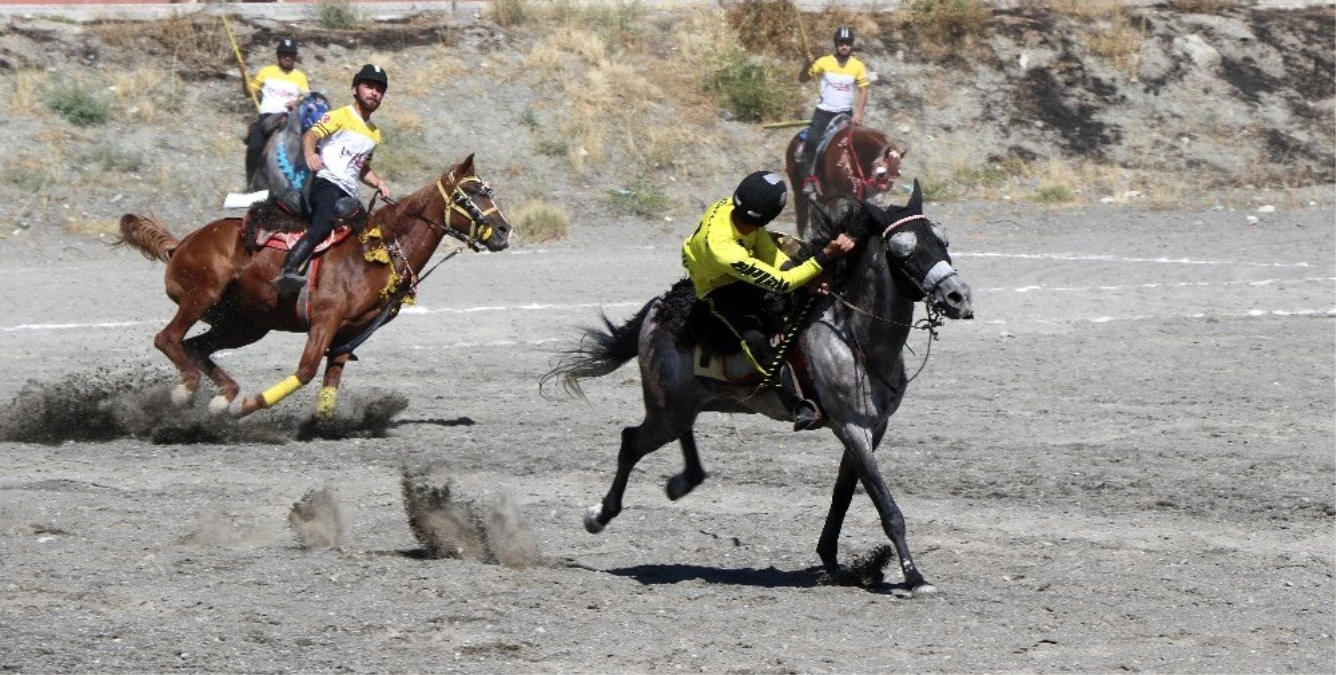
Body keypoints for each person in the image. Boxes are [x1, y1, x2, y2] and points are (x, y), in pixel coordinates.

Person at [681, 171, 855, 430]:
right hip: (717, 285)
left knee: (793, 247)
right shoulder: (724, 250)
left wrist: (807, 275)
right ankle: (796, 402)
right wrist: (826, 256)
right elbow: (782, 283)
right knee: (755, 340)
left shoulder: (733, 207)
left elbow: (768, 250)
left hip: (738, 258)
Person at [272, 64, 392, 299]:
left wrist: (378, 182)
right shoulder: (340, 115)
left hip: (349, 192)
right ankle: (287, 269)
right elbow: (311, 135)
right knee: (323, 224)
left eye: (379, 90)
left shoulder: (374, 133)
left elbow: (361, 167)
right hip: (327, 184)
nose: (374, 93)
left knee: (366, 234)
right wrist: (310, 153)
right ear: (354, 89)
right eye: (369, 86)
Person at [796, 26, 870, 195]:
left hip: (845, 113)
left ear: (852, 45)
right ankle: (809, 178)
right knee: (813, 141)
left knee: (855, 145)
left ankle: (860, 181)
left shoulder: (857, 66)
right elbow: (802, 79)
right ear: (836, 44)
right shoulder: (823, 62)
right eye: (841, 43)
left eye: (847, 43)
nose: (844, 46)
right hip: (824, 112)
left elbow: (863, 89)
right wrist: (807, 64)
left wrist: (859, 113)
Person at [244, 38, 310, 185]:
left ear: (295, 57)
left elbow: (306, 98)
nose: (287, 57)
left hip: (290, 118)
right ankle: (250, 184)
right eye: (284, 54)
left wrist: (297, 102)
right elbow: (249, 92)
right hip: (268, 117)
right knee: (253, 148)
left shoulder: (300, 77)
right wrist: (243, 75)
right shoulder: (266, 72)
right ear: (278, 55)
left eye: (291, 55)